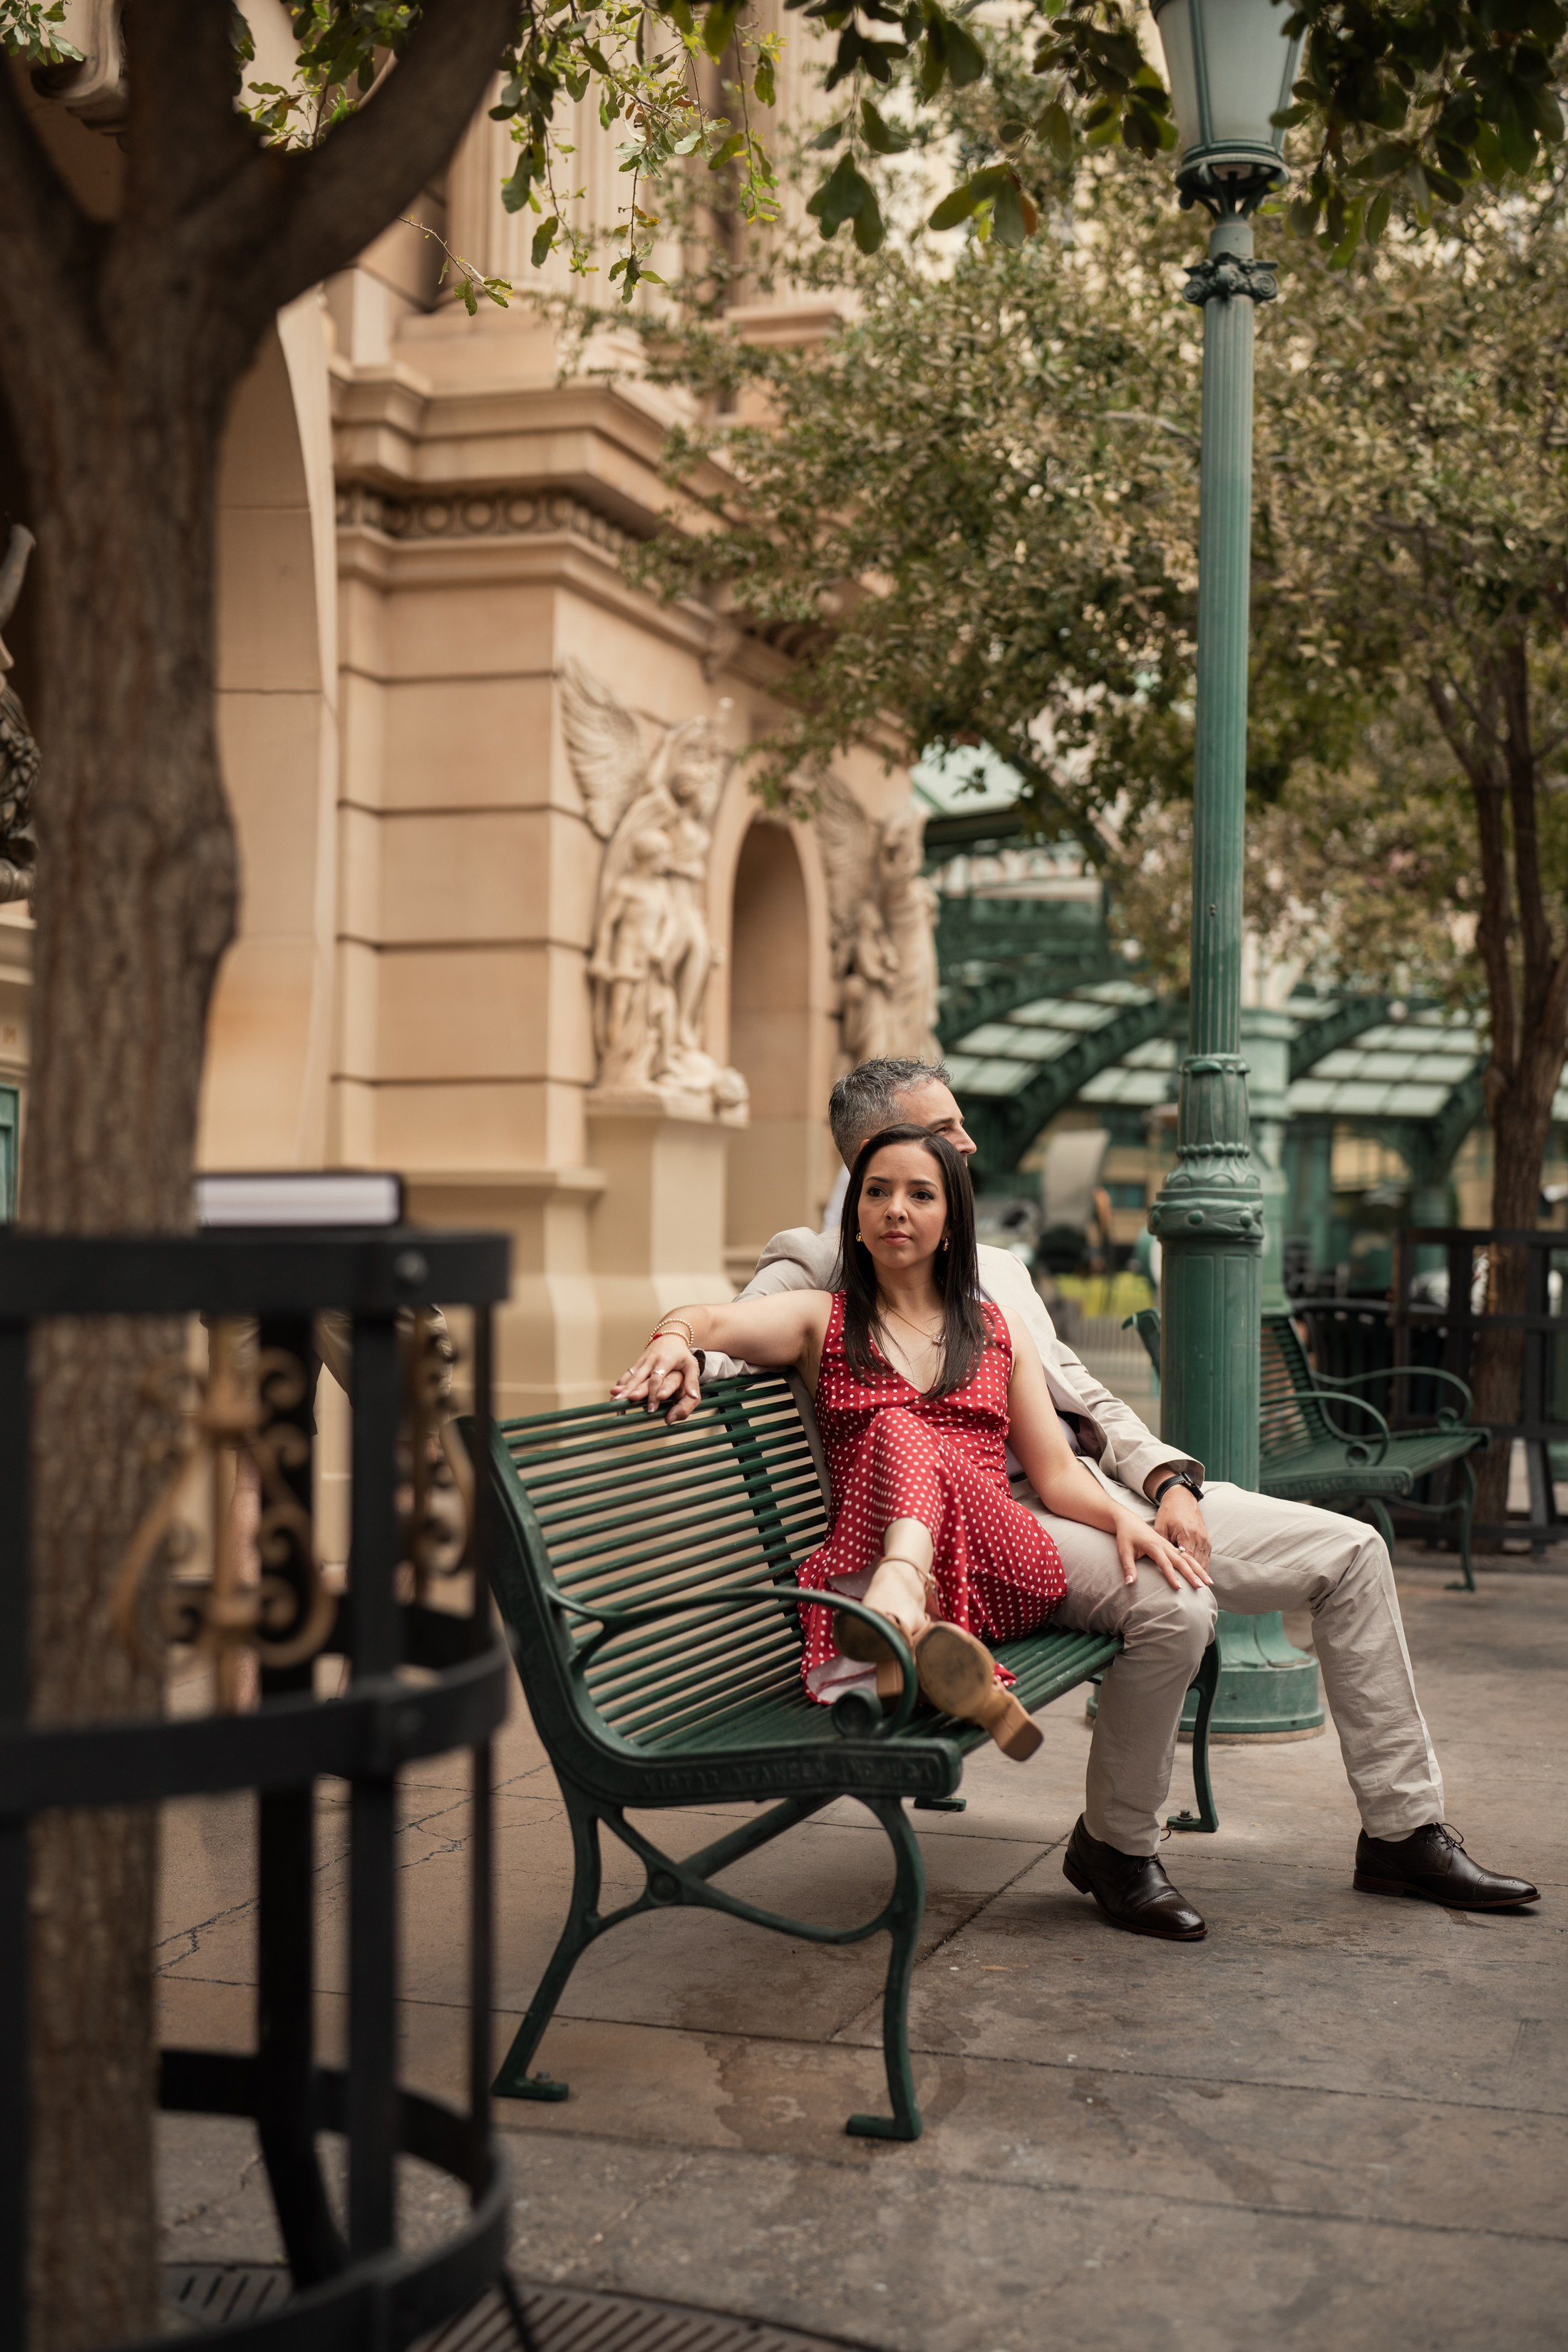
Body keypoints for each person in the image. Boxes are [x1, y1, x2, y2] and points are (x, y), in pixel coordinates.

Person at [628, 1056, 1539, 1942]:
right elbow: (733, 1329)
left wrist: (1167, 1482)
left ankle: (1402, 1833)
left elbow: (1086, 1401)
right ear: (875, 1155)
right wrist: (681, 1354)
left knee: (1351, 1553)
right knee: (1172, 1607)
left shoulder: (1000, 1276)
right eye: (944, 1129)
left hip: (1085, 1493)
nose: (968, 1144)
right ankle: (1117, 1847)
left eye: (954, 1135)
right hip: (962, 1518)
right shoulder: (817, 1262)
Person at [612, 1124, 1196, 1762]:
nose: (895, 1209)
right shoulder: (821, 1319)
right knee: (899, 1429)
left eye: (920, 1194)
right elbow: (708, 1320)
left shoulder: (997, 1328)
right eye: (877, 1192)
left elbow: (1055, 1473)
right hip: (891, 1558)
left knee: (897, 1425)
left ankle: (897, 1594)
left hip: (1004, 1563)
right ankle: (920, 1639)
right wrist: (672, 1340)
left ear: (950, 1223)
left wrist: (1122, 1520)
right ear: (856, 1218)